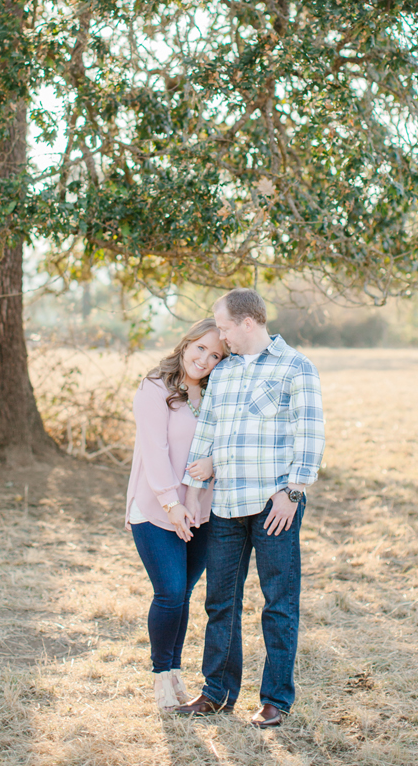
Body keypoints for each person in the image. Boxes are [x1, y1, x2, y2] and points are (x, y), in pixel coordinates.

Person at [171, 288, 325, 728]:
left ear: (247, 323)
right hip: (227, 505)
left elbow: (309, 437)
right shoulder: (226, 373)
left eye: (223, 327)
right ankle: (217, 693)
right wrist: (191, 484)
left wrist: (292, 492)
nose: (220, 337)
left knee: (278, 602)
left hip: (274, 504)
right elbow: (211, 432)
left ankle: (275, 699)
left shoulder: (296, 368)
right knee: (220, 601)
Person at [125, 318, 225, 710]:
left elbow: (230, 441)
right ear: (186, 344)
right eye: (200, 348)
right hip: (157, 508)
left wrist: (215, 463)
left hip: (202, 511)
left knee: (182, 594)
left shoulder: (219, 392)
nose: (204, 359)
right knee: (168, 592)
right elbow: (154, 451)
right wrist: (171, 503)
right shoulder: (155, 387)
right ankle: (160, 677)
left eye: (216, 355)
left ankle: (175, 673)